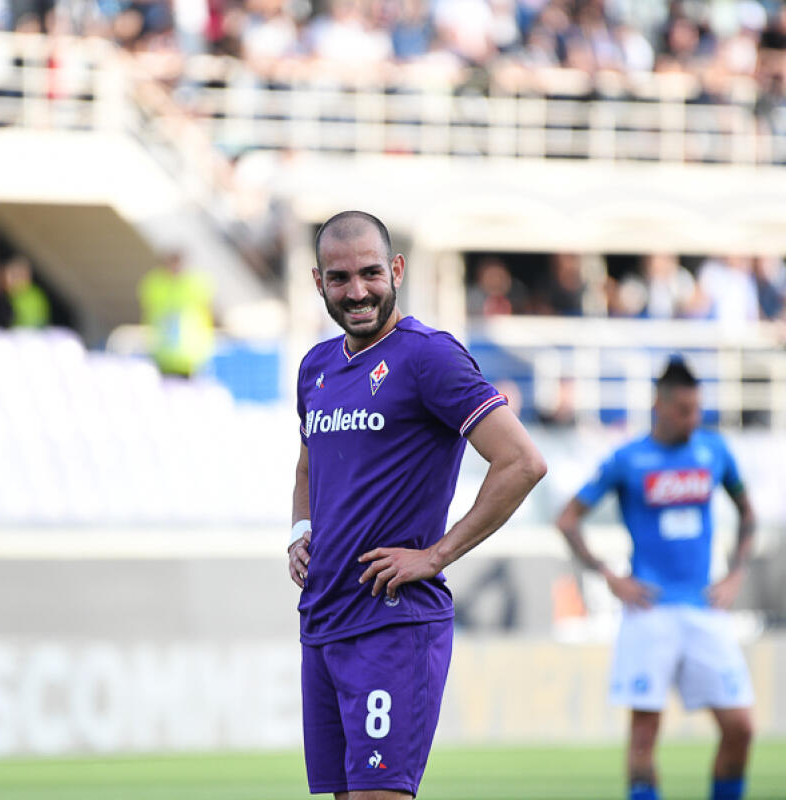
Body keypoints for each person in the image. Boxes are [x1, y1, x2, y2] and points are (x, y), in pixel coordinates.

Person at [288, 210, 547, 799]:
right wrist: (301, 529)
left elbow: (522, 462)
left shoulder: (429, 356)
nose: (357, 292)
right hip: (324, 620)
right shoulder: (315, 369)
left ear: (397, 270)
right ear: (318, 281)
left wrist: (435, 555)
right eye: (339, 278)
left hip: (392, 622)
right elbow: (307, 463)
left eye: (370, 273)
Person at [554, 358, 756, 800]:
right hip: (649, 612)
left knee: (741, 727)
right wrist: (609, 575)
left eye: (697, 409)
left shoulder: (714, 451)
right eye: (684, 409)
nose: (693, 419)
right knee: (644, 737)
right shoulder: (629, 460)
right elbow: (568, 519)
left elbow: (748, 513)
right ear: (659, 406)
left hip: (704, 608)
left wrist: (736, 572)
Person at [138, 249, 215, 378]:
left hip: (190, 356)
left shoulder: (195, 284)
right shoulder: (155, 284)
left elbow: (207, 312)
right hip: (162, 353)